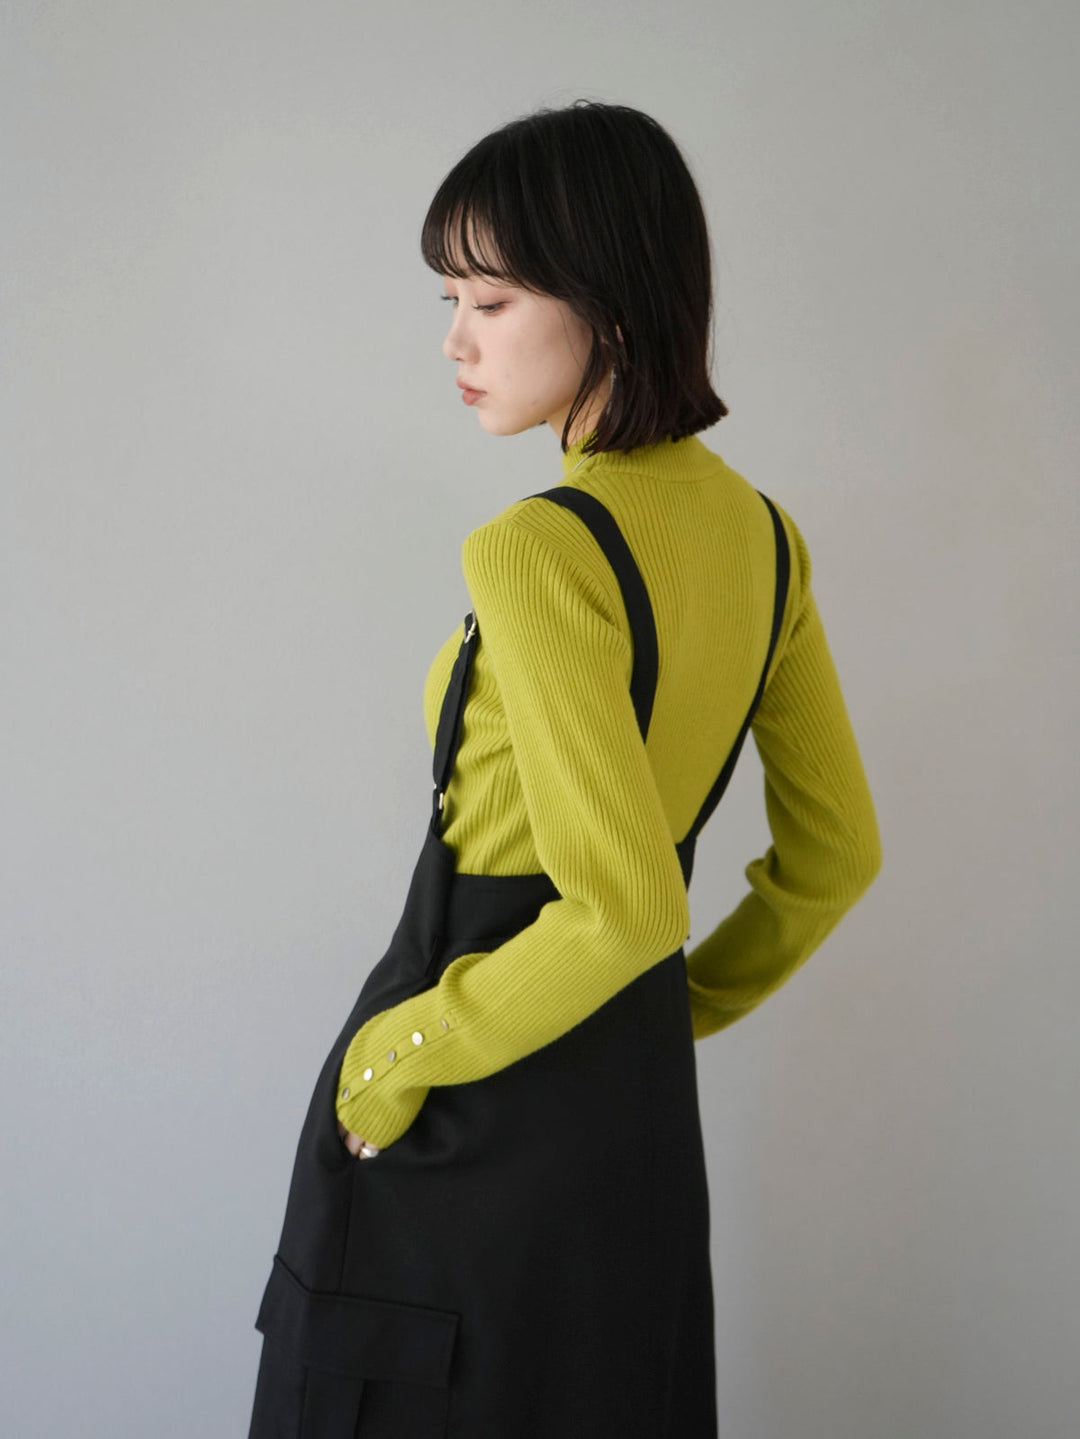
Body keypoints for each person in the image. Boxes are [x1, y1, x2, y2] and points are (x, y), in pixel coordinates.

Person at [248, 99, 882, 1439]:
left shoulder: (536, 550)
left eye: (491, 298)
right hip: (627, 1127)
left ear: (612, 302)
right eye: (450, 298)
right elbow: (836, 859)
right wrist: (661, 1016)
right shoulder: (765, 538)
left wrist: (393, 1056)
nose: (456, 339)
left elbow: (624, 906)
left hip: (468, 1092)